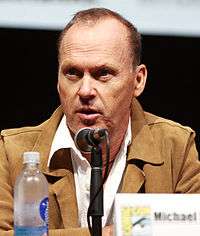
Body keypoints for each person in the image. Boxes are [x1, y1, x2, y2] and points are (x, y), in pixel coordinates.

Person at [0, 7, 199, 236]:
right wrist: (119, 232)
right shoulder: (12, 151)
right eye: (72, 73)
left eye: (103, 73)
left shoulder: (176, 146)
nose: (85, 90)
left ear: (138, 80)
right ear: (57, 80)